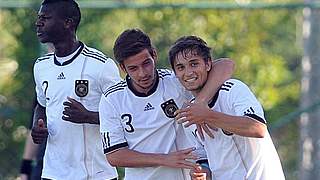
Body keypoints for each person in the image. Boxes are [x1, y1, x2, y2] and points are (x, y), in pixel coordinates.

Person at [99, 28, 234, 180]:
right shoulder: (112, 98)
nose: (142, 73)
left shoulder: (175, 81)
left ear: (154, 55)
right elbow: (114, 156)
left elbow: (226, 65)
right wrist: (164, 159)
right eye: (133, 68)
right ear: (123, 68)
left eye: (146, 63)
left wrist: (200, 103)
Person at [169, 35, 285, 180]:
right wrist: (203, 172)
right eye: (181, 67)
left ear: (208, 64)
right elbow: (203, 157)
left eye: (194, 64)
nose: (188, 72)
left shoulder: (233, 89)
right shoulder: (189, 114)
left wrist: (207, 115)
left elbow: (258, 128)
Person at [31, 0, 121, 179]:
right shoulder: (41, 66)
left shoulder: (100, 65)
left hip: (96, 174)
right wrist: (37, 125)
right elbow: (41, 106)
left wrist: (89, 116)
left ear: (68, 23)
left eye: (46, 18)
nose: (38, 23)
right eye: (39, 18)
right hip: (53, 173)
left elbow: (125, 112)